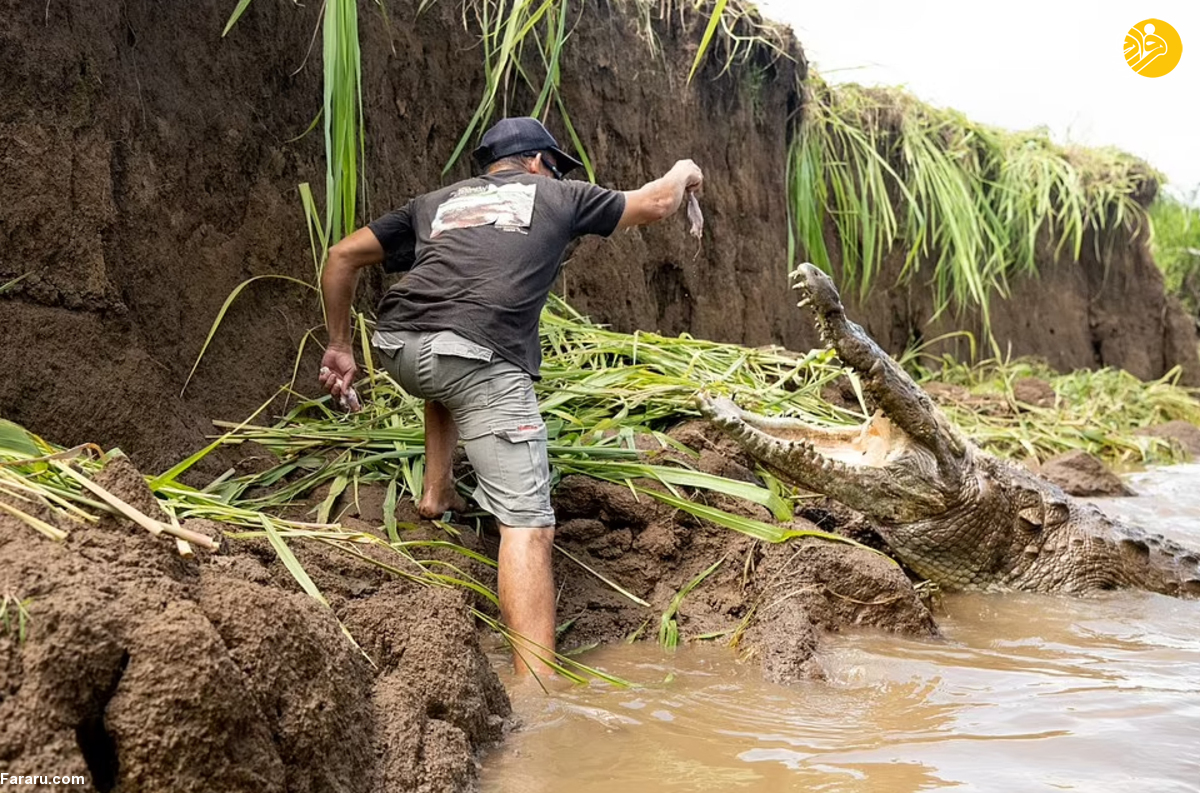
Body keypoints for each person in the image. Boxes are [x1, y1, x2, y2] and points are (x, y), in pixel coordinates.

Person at [318, 116, 703, 675]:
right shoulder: (558, 194)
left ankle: (436, 492)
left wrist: (339, 346)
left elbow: (341, 256)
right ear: (536, 162)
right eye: (552, 164)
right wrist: (687, 170)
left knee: (449, 368)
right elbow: (656, 202)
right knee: (528, 524)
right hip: (477, 358)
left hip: (398, 346)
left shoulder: (434, 203)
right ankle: (537, 687)